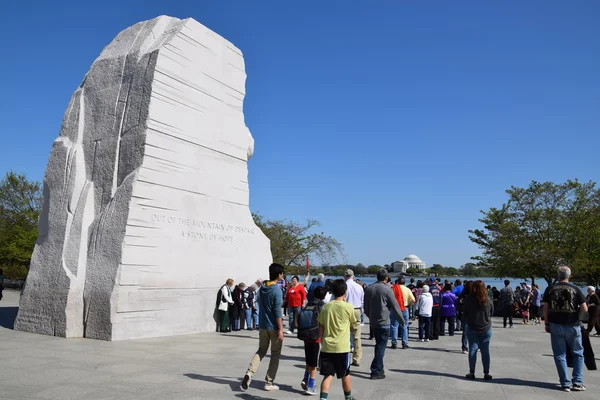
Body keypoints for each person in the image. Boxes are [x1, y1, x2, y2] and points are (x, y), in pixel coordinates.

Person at [542, 266, 588, 392]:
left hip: (556, 324)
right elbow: (585, 309)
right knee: (578, 353)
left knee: (559, 355)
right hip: (573, 325)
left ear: (558, 275)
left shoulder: (550, 289)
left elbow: (545, 308)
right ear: (569, 275)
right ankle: (577, 382)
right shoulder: (575, 289)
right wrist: (576, 313)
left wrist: (546, 323)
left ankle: (565, 383)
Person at [241, 263, 285, 392]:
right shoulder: (276, 290)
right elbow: (277, 312)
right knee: (275, 354)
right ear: (279, 275)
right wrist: (281, 329)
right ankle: (269, 381)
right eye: (282, 273)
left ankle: (249, 373)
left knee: (261, 351)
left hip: (263, 325)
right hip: (273, 327)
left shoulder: (263, 288)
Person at [317, 279, 357, 400]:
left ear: (332, 292)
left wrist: (321, 340)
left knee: (327, 376)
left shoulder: (326, 307)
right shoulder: (348, 307)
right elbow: (352, 324)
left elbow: (321, 326)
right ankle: (348, 397)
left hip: (327, 346)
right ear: (345, 292)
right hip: (342, 347)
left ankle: (323, 398)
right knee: (345, 374)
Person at [364, 269, 404, 379]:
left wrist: (371, 317)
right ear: (386, 278)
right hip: (384, 321)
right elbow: (395, 306)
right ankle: (376, 370)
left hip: (374, 322)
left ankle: (380, 369)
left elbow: (366, 308)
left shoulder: (369, 288)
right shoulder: (387, 289)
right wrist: (402, 321)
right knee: (381, 347)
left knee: (379, 345)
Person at [463, 280, 494, 380]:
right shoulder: (488, 299)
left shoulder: (469, 299)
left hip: (472, 327)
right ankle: (486, 372)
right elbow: (492, 313)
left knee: (472, 349)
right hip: (486, 328)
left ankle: (472, 372)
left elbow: (465, 313)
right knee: (485, 351)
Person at [299, 286, 327, 395]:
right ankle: (311, 385)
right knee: (314, 363)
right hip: (316, 336)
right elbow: (323, 322)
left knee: (308, 360)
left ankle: (305, 378)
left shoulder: (309, 304)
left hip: (306, 336)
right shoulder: (321, 306)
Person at [344, 269, 364, 366]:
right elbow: (362, 301)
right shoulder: (359, 287)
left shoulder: (344, 286)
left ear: (345, 276)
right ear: (353, 276)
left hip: (345, 310)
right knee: (356, 336)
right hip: (356, 310)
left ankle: (345, 357)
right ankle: (356, 358)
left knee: (345, 335)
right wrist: (361, 312)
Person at [391, 277, 414, 349]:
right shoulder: (407, 289)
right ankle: (404, 343)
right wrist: (409, 306)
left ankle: (394, 343)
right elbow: (413, 300)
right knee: (404, 326)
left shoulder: (393, 289)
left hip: (395, 308)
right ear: (404, 283)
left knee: (394, 326)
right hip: (404, 308)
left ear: (397, 282)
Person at [458, 281, 472, 354]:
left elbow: (459, 302)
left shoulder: (463, 294)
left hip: (465, 314)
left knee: (465, 332)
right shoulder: (475, 294)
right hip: (473, 315)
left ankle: (464, 347)